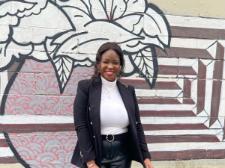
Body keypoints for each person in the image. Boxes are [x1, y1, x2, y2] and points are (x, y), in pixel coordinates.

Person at [71, 42, 153, 168]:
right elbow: (81, 125)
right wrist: (90, 161)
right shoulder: (85, 88)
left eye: (115, 62)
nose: (110, 66)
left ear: (120, 66)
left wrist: (146, 157)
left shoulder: (128, 90)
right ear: (98, 64)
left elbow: (137, 125)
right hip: (96, 153)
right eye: (106, 62)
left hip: (122, 154)